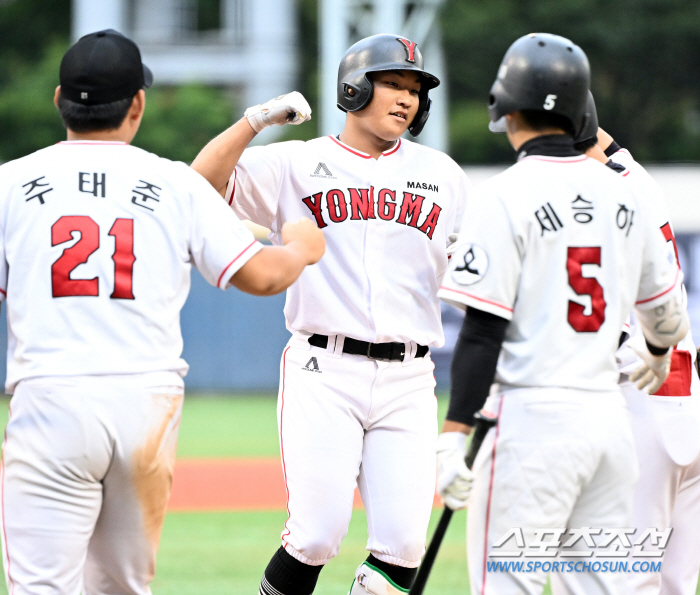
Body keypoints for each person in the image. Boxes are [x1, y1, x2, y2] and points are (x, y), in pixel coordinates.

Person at [0, 29, 324, 595]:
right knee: (123, 586)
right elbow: (264, 276)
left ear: (59, 100)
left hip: (49, 396)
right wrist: (301, 248)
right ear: (138, 104)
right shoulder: (175, 183)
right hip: (145, 403)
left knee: (40, 588)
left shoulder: (10, 184)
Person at [192, 33, 471, 595]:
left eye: (414, 89)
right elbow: (199, 184)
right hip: (325, 368)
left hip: (411, 376)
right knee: (316, 535)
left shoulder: (443, 174)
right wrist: (255, 121)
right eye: (392, 82)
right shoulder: (296, 162)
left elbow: (468, 269)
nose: (405, 98)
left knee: (403, 546)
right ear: (355, 87)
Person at [435, 33, 689, 595]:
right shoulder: (628, 194)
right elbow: (668, 314)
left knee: (511, 586)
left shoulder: (504, 195)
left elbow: (482, 334)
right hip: (609, 423)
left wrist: (454, 435)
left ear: (506, 108)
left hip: (532, 421)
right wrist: (656, 350)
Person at [574, 100, 700, 595]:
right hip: (683, 397)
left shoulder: (589, 198)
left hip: (640, 398)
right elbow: (603, 141)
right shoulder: (634, 176)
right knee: (674, 581)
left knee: (626, 580)